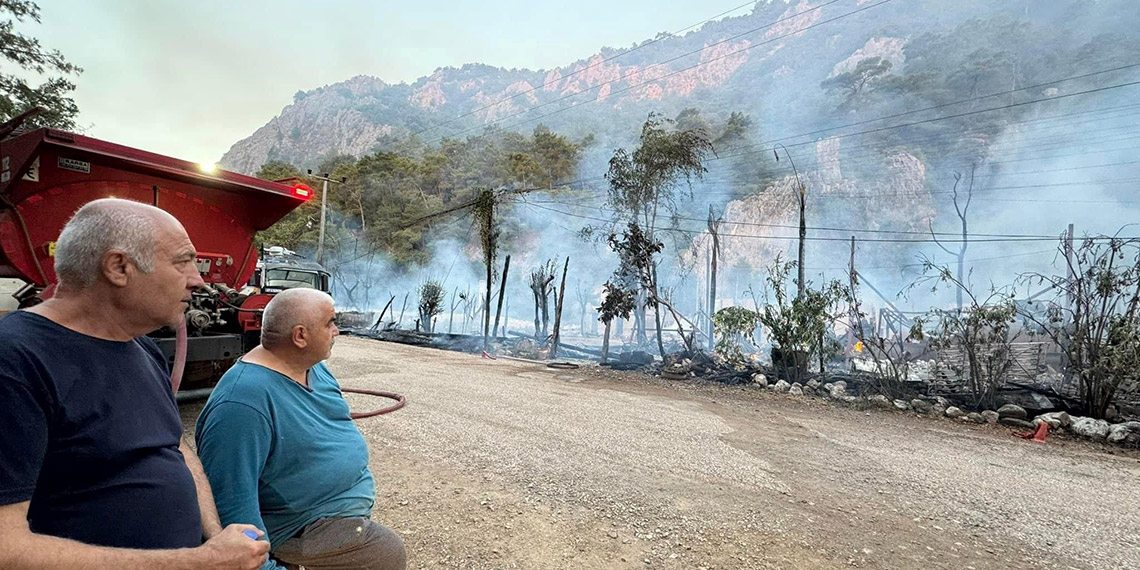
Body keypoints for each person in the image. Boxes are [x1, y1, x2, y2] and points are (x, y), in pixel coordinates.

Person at [0, 198, 270, 569]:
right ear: (119, 267)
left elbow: (174, 445)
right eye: (183, 262)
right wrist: (198, 562)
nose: (198, 280)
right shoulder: (15, 359)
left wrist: (214, 534)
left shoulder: (141, 347)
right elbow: (6, 548)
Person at [196, 288, 406, 570]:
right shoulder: (243, 403)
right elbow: (231, 505)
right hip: (297, 526)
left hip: (329, 511)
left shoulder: (311, 366)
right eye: (330, 323)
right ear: (300, 336)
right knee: (383, 552)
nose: (337, 331)